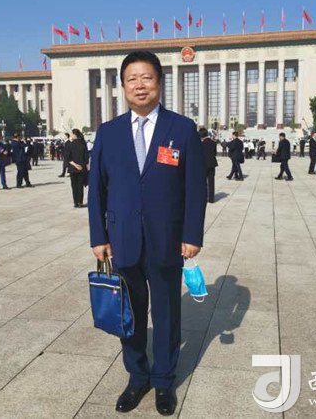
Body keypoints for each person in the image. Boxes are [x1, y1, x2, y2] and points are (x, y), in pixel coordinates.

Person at [88, 51, 206, 416]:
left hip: (167, 240)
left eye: (147, 78)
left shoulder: (181, 129)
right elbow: (97, 190)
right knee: (131, 315)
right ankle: (137, 377)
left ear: (159, 82)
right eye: (132, 79)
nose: (140, 85)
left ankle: (164, 381)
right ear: (123, 86)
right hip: (122, 240)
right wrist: (98, 237)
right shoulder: (108, 133)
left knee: (167, 314)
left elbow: (195, 187)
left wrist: (192, 235)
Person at [65, 129, 89, 207]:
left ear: (75, 135)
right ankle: (80, 202)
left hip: (73, 169)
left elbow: (67, 158)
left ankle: (75, 202)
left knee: (74, 186)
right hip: (82, 168)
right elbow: (86, 158)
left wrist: (75, 165)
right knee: (80, 186)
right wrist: (81, 165)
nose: (71, 135)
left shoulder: (69, 144)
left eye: (71, 134)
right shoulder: (83, 144)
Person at [200, 127, 218, 203]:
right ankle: (211, 199)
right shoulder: (213, 143)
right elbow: (215, 153)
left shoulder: (200, 144)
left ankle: (204, 197)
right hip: (212, 164)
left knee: (203, 182)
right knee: (211, 181)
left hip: (203, 164)